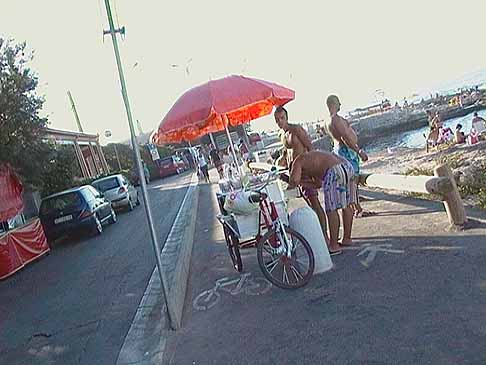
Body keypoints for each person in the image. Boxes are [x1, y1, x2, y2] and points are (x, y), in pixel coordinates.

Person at [274, 106, 328, 240]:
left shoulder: (296, 129)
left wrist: (314, 171)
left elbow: (310, 148)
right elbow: (287, 154)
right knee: (310, 203)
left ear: (287, 117)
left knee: (315, 202)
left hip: (306, 170)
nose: (280, 121)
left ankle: (325, 236)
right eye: (277, 119)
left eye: (282, 118)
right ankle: (321, 234)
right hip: (296, 173)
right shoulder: (282, 135)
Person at [288, 151, 355, 255]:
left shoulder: (298, 160)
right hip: (347, 166)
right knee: (346, 205)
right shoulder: (313, 160)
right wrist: (302, 182)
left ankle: (334, 245)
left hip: (334, 171)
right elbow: (317, 184)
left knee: (332, 210)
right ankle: (347, 238)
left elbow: (294, 181)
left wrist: (289, 182)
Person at [325, 95, 369, 229]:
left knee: (351, 182)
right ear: (333, 103)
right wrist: (359, 151)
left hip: (342, 152)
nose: (340, 104)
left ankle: (357, 207)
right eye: (338, 102)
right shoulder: (335, 119)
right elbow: (345, 138)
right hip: (347, 153)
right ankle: (357, 209)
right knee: (353, 181)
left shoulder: (329, 120)